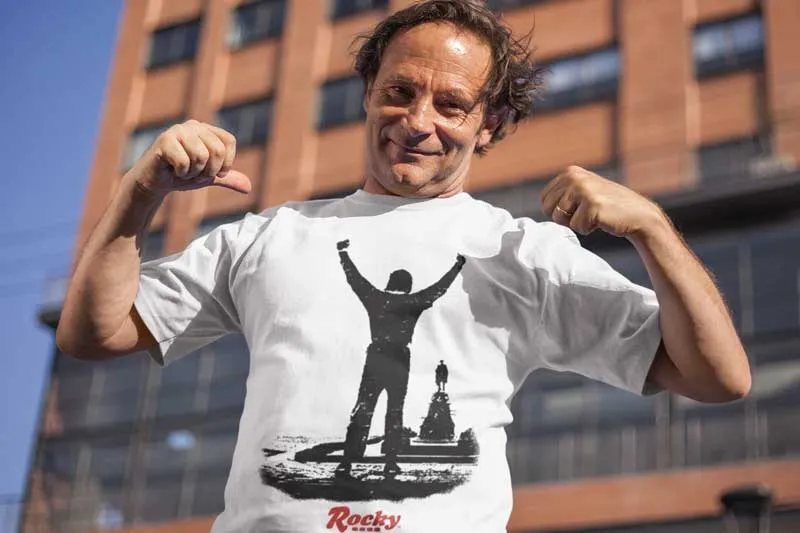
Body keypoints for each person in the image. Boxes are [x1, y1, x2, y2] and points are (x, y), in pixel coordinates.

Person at [56, 0, 751, 531]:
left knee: (385, 423)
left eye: (451, 104)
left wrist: (653, 228)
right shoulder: (271, 237)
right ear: (367, 90)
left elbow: (717, 376)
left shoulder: (519, 251)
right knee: (369, 419)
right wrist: (139, 191)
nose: (418, 120)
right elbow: (95, 332)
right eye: (399, 91)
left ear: (491, 125)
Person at [335, 238, 465, 478]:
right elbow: (438, 288)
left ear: (390, 282)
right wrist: (457, 267)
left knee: (362, 410)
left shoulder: (375, 298)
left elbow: (355, 279)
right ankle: (391, 462)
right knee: (395, 412)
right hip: (400, 359)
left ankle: (347, 463)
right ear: (407, 286)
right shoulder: (412, 302)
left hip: (376, 356)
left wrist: (343, 254)